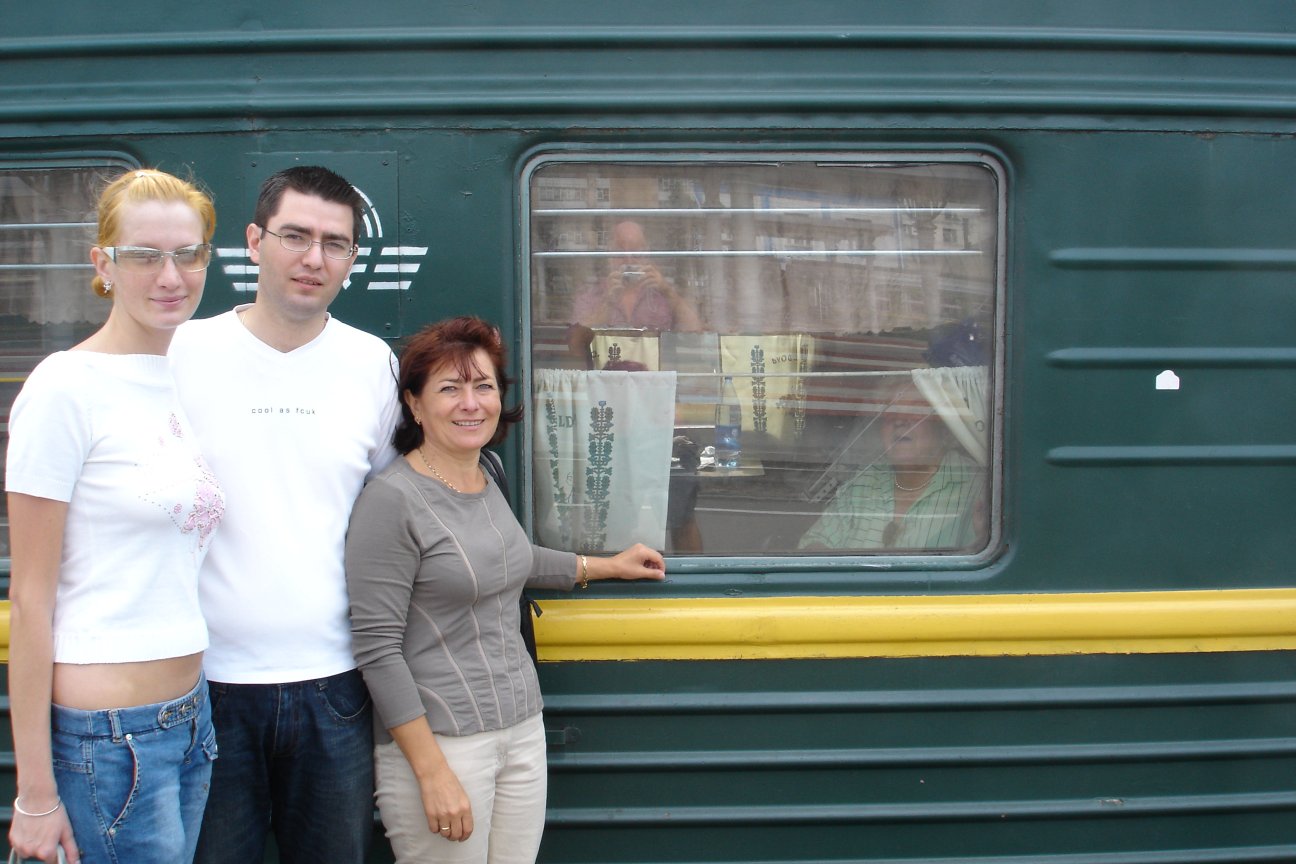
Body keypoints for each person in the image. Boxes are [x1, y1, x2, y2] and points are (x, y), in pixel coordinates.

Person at [345, 316, 666, 864]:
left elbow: (508, 558)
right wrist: (431, 771)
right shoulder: (391, 500)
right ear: (415, 404)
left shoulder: (486, 473)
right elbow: (377, 649)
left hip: (521, 727)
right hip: (444, 742)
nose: (471, 403)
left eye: (483, 386)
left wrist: (606, 566)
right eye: (450, 388)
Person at [168, 166, 402, 863]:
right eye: (295, 236)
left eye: (335, 244)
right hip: (202, 687)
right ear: (253, 241)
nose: (314, 259)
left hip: (337, 686)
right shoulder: (183, 351)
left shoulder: (372, 364)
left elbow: (396, 514)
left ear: (352, 258)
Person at [6, 168, 224, 864]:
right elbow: (30, 598)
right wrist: (34, 793)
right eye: (144, 256)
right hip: (109, 739)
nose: (171, 275)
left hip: (190, 721)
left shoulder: (177, 377)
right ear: (103, 264)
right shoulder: (64, 388)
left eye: (188, 254)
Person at [799, 375, 985, 551]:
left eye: (915, 410)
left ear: (942, 425)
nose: (900, 421)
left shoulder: (975, 485)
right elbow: (815, 543)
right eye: (891, 412)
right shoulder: (866, 479)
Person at [570, 220, 702, 337]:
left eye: (636, 251)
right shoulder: (593, 294)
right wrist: (607, 302)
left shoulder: (661, 295)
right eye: (620, 252)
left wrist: (667, 291)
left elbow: (694, 331)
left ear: (646, 254)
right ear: (609, 255)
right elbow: (575, 342)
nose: (628, 260)